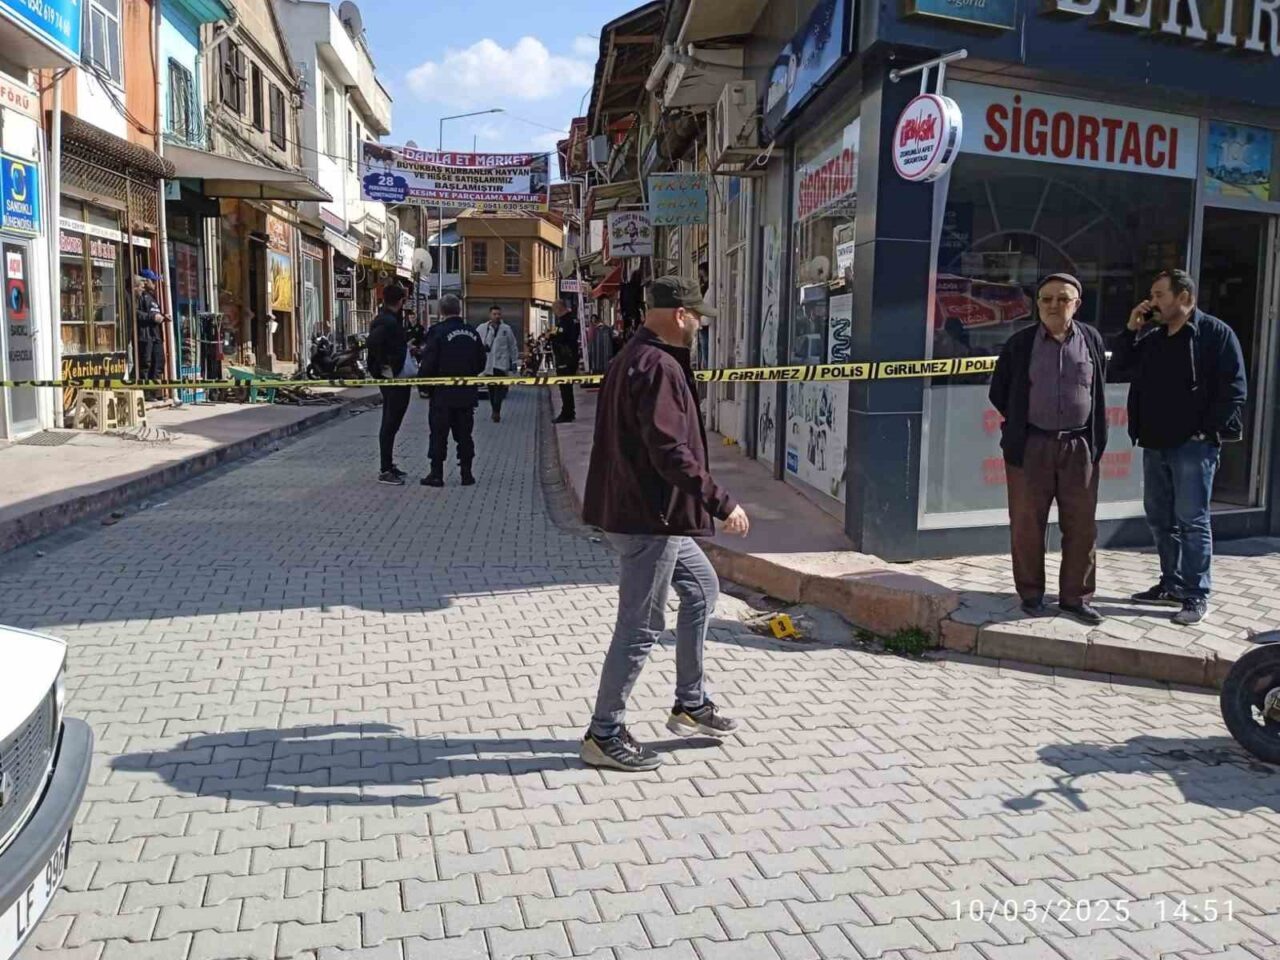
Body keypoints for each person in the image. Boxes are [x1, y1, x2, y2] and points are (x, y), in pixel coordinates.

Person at [580, 275, 751, 772]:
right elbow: (670, 451)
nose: (700, 324)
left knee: (701, 588)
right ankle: (603, 732)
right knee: (641, 624)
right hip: (648, 518)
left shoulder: (632, 355)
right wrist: (721, 503)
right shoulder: (656, 366)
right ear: (680, 315)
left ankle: (690, 703)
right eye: (698, 316)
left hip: (647, 511)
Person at [1113, 269, 1247, 625]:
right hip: (1155, 442)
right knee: (1160, 519)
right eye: (1152, 295)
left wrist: (1205, 432)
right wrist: (1132, 328)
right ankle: (1171, 584)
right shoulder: (1155, 337)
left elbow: (1235, 389)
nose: (1152, 301)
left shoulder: (1215, 334)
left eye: (1159, 295)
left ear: (1184, 297)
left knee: (1192, 521)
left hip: (1193, 447)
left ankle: (1196, 594)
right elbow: (1121, 366)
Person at [989, 274, 1109, 625]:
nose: (1054, 305)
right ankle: (1031, 594)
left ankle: (1076, 598)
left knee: (1082, 526)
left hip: (1079, 447)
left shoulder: (1091, 339)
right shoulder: (1020, 343)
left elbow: (1098, 389)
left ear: (1077, 304)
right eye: (1047, 299)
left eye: (1063, 299)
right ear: (1037, 303)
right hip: (1031, 446)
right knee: (1027, 524)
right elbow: (1000, 392)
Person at [419, 293, 486, 487]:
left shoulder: (437, 332)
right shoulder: (472, 332)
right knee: (465, 435)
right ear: (459, 310)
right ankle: (467, 474)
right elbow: (481, 362)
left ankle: (437, 474)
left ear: (441, 310)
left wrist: (424, 386)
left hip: (442, 395)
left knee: (439, 434)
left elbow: (428, 362)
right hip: (466, 394)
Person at [365, 284, 412, 485]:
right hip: (393, 379)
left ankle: (389, 464)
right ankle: (385, 469)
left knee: (393, 422)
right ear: (400, 301)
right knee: (390, 422)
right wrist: (386, 365)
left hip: (394, 377)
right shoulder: (387, 322)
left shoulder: (389, 319)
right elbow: (373, 344)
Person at [480, 304, 519, 423]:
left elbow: (513, 346)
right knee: (491, 390)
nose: (497, 316)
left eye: (498, 314)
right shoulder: (482, 328)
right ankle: (494, 410)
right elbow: (476, 343)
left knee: (499, 390)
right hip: (488, 365)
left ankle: (497, 411)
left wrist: (514, 361)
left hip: (501, 365)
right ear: (489, 315)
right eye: (494, 314)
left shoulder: (506, 329)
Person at [550, 299, 580, 423]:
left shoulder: (566, 322)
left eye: (554, 309)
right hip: (568, 357)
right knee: (566, 387)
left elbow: (563, 339)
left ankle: (567, 413)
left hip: (565, 359)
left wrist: (551, 336)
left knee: (565, 387)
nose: (554, 312)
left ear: (559, 308)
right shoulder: (569, 320)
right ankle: (569, 411)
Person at [135, 269, 167, 381]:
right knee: (146, 364)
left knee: (159, 362)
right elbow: (136, 313)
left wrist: (163, 317)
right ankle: (147, 393)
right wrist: (152, 317)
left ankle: (156, 392)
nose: (155, 283)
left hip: (156, 335)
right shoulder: (140, 296)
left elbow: (155, 313)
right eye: (153, 281)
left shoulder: (153, 298)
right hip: (146, 335)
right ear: (146, 281)